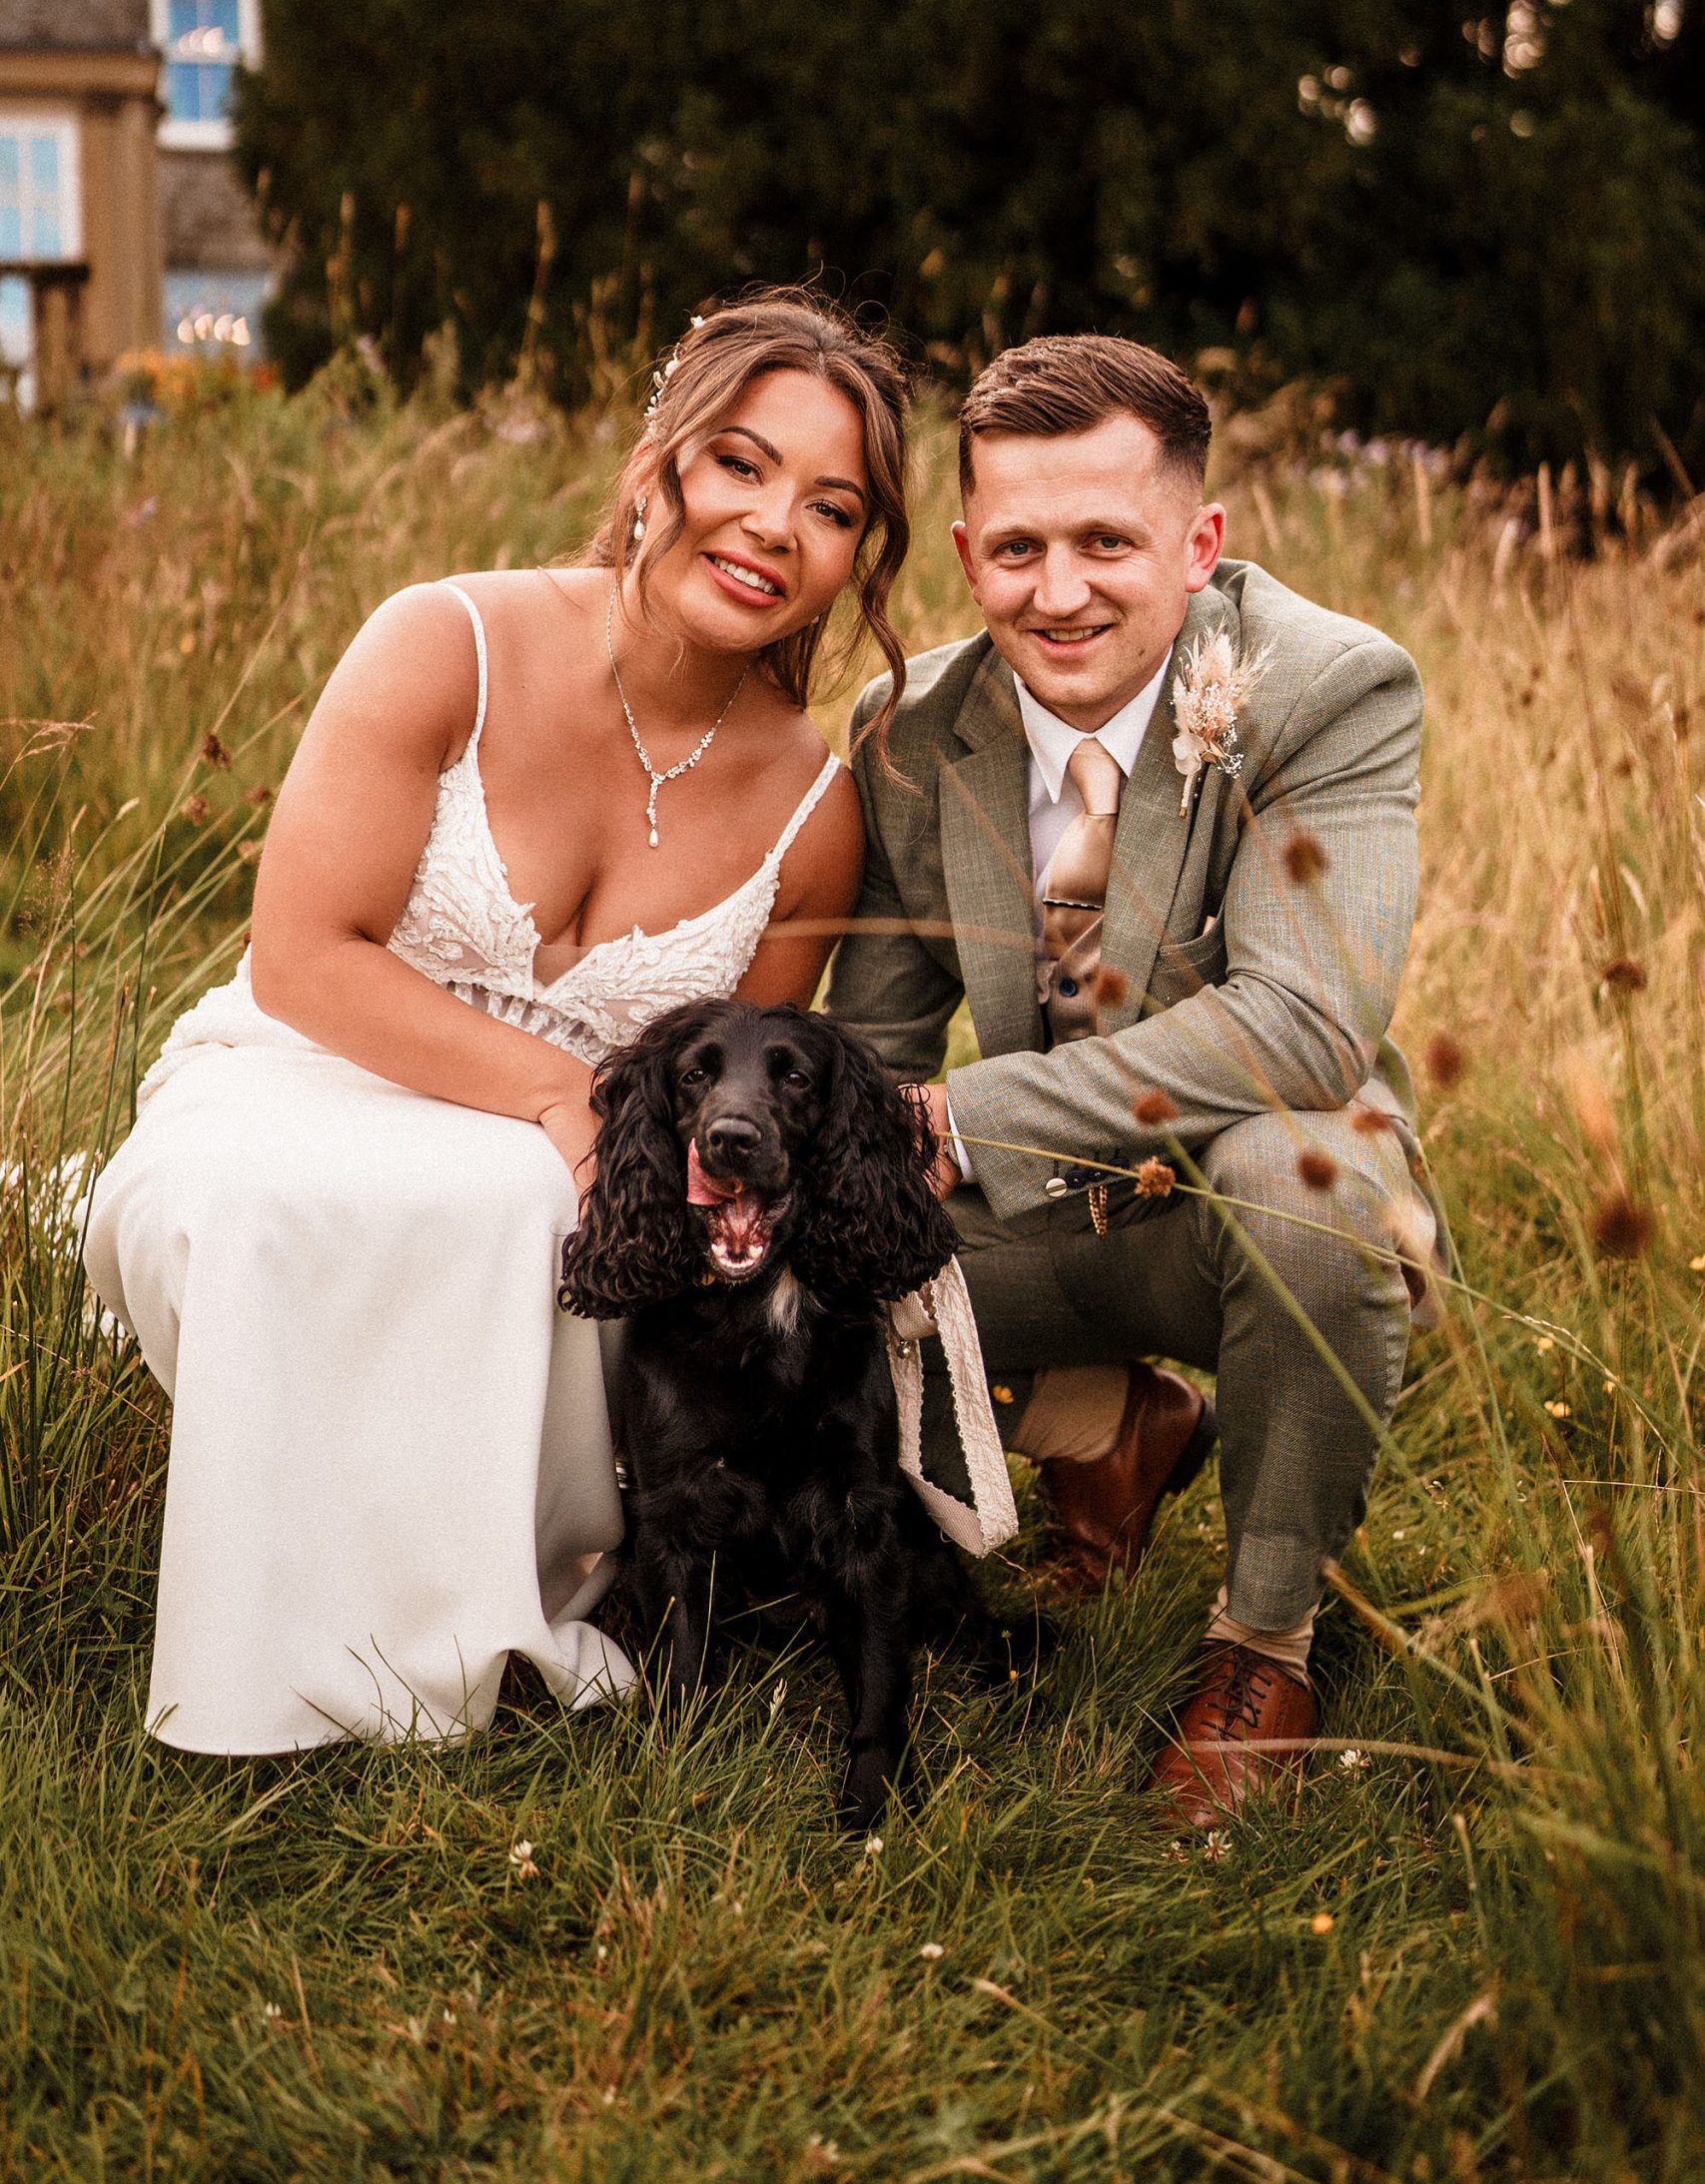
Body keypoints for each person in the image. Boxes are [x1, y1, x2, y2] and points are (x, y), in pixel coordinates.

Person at [84, 293, 911, 1756]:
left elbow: (738, 1114)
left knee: (540, 1206)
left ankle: (482, 1626)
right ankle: (272, 1644)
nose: (778, 524)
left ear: (857, 556)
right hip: (312, 1068)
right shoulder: (445, 638)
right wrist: (552, 1090)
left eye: (831, 506)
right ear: (658, 464)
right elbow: (301, 956)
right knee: (321, 1199)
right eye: (741, 464)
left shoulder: (812, 809)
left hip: (573, 1164)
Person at [827, 334, 1447, 1827]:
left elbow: (1304, 1026)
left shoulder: (1330, 688)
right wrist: (859, 1156)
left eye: (1108, 541)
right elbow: (884, 1055)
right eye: (1019, 548)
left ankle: (1265, 1649)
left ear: (1200, 541)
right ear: (967, 552)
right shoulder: (911, 739)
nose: (1060, 592)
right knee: (812, 1253)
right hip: (1048, 1214)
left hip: (1248, 1202)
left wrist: (964, 1124)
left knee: (1310, 1189)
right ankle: (1106, 1427)